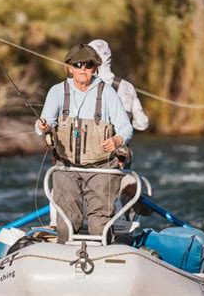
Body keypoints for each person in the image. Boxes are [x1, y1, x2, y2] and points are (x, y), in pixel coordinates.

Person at [36, 43, 133, 242]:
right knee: (67, 224)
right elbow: (42, 125)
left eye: (88, 65)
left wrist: (117, 139)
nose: (83, 69)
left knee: (99, 226)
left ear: (95, 68)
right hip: (66, 168)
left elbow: (126, 127)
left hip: (102, 169)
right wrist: (43, 127)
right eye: (78, 64)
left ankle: (106, 255)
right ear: (69, 67)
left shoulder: (107, 93)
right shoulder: (57, 92)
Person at [88, 39, 149, 168]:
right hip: (121, 159)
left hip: (91, 157)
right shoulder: (127, 87)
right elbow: (142, 124)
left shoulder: (85, 86)